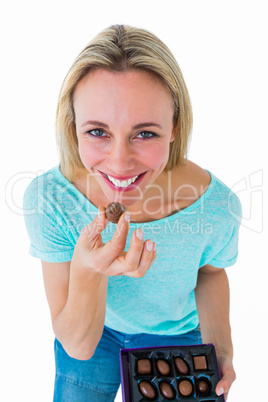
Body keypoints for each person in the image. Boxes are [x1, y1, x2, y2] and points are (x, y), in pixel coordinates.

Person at [23, 24, 241, 401]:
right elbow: (77, 344)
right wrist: (88, 268)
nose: (120, 164)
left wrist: (220, 345)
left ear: (174, 127)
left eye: (145, 133)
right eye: (97, 132)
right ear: (72, 127)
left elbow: (210, 272)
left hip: (180, 335)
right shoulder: (50, 200)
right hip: (96, 331)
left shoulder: (217, 207)